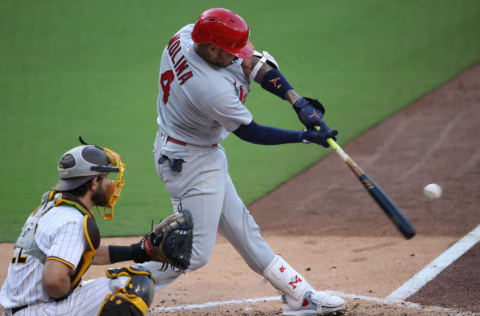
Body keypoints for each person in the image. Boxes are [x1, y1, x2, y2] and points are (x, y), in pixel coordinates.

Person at [142, 8, 346, 316]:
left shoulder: (186, 35)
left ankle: (299, 296)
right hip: (189, 161)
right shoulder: (208, 88)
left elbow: (253, 64)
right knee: (190, 253)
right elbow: (252, 133)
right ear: (211, 49)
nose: (237, 58)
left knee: (243, 231)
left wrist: (298, 102)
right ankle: (113, 291)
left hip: (197, 152)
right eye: (229, 52)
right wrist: (305, 137)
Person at [0, 140, 158, 316]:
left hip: (18, 308)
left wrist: (136, 251)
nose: (110, 184)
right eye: (105, 178)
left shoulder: (52, 206)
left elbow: (78, 253)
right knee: (135, 284)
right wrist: (71, 298)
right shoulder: (72, 220)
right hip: (39, 310)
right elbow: (54, 281)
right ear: (93, 183)